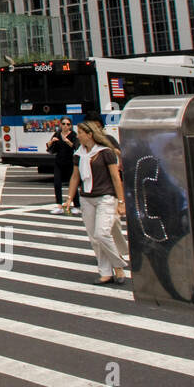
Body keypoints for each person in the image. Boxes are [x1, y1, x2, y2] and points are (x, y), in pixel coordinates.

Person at [64, 121, 129, 284]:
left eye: (80, 133)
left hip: (105, 197)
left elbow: (116, 177)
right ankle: (105, 272)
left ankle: (119, 267)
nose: (77, 136)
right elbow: (75, 177)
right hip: (86, 197)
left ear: (89, 134)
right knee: (94, 238)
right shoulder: (79, 154)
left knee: (102, 233)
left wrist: (121, 202)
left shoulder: (106, 152)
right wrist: (69, 198)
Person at [46, 119, 79, 215]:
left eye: (68, 124)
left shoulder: (73, 135)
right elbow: (50, 149)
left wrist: (67, 141)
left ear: (70, 126)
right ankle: (59, 205)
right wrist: (51, 142)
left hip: (70, 161)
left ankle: (77, 205)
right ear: (60, 125)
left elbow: (76, 147)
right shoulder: (57, 134)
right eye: (63, 124)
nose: (65, 126)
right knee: (57, 183)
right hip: (58, 161)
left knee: (73, 183)